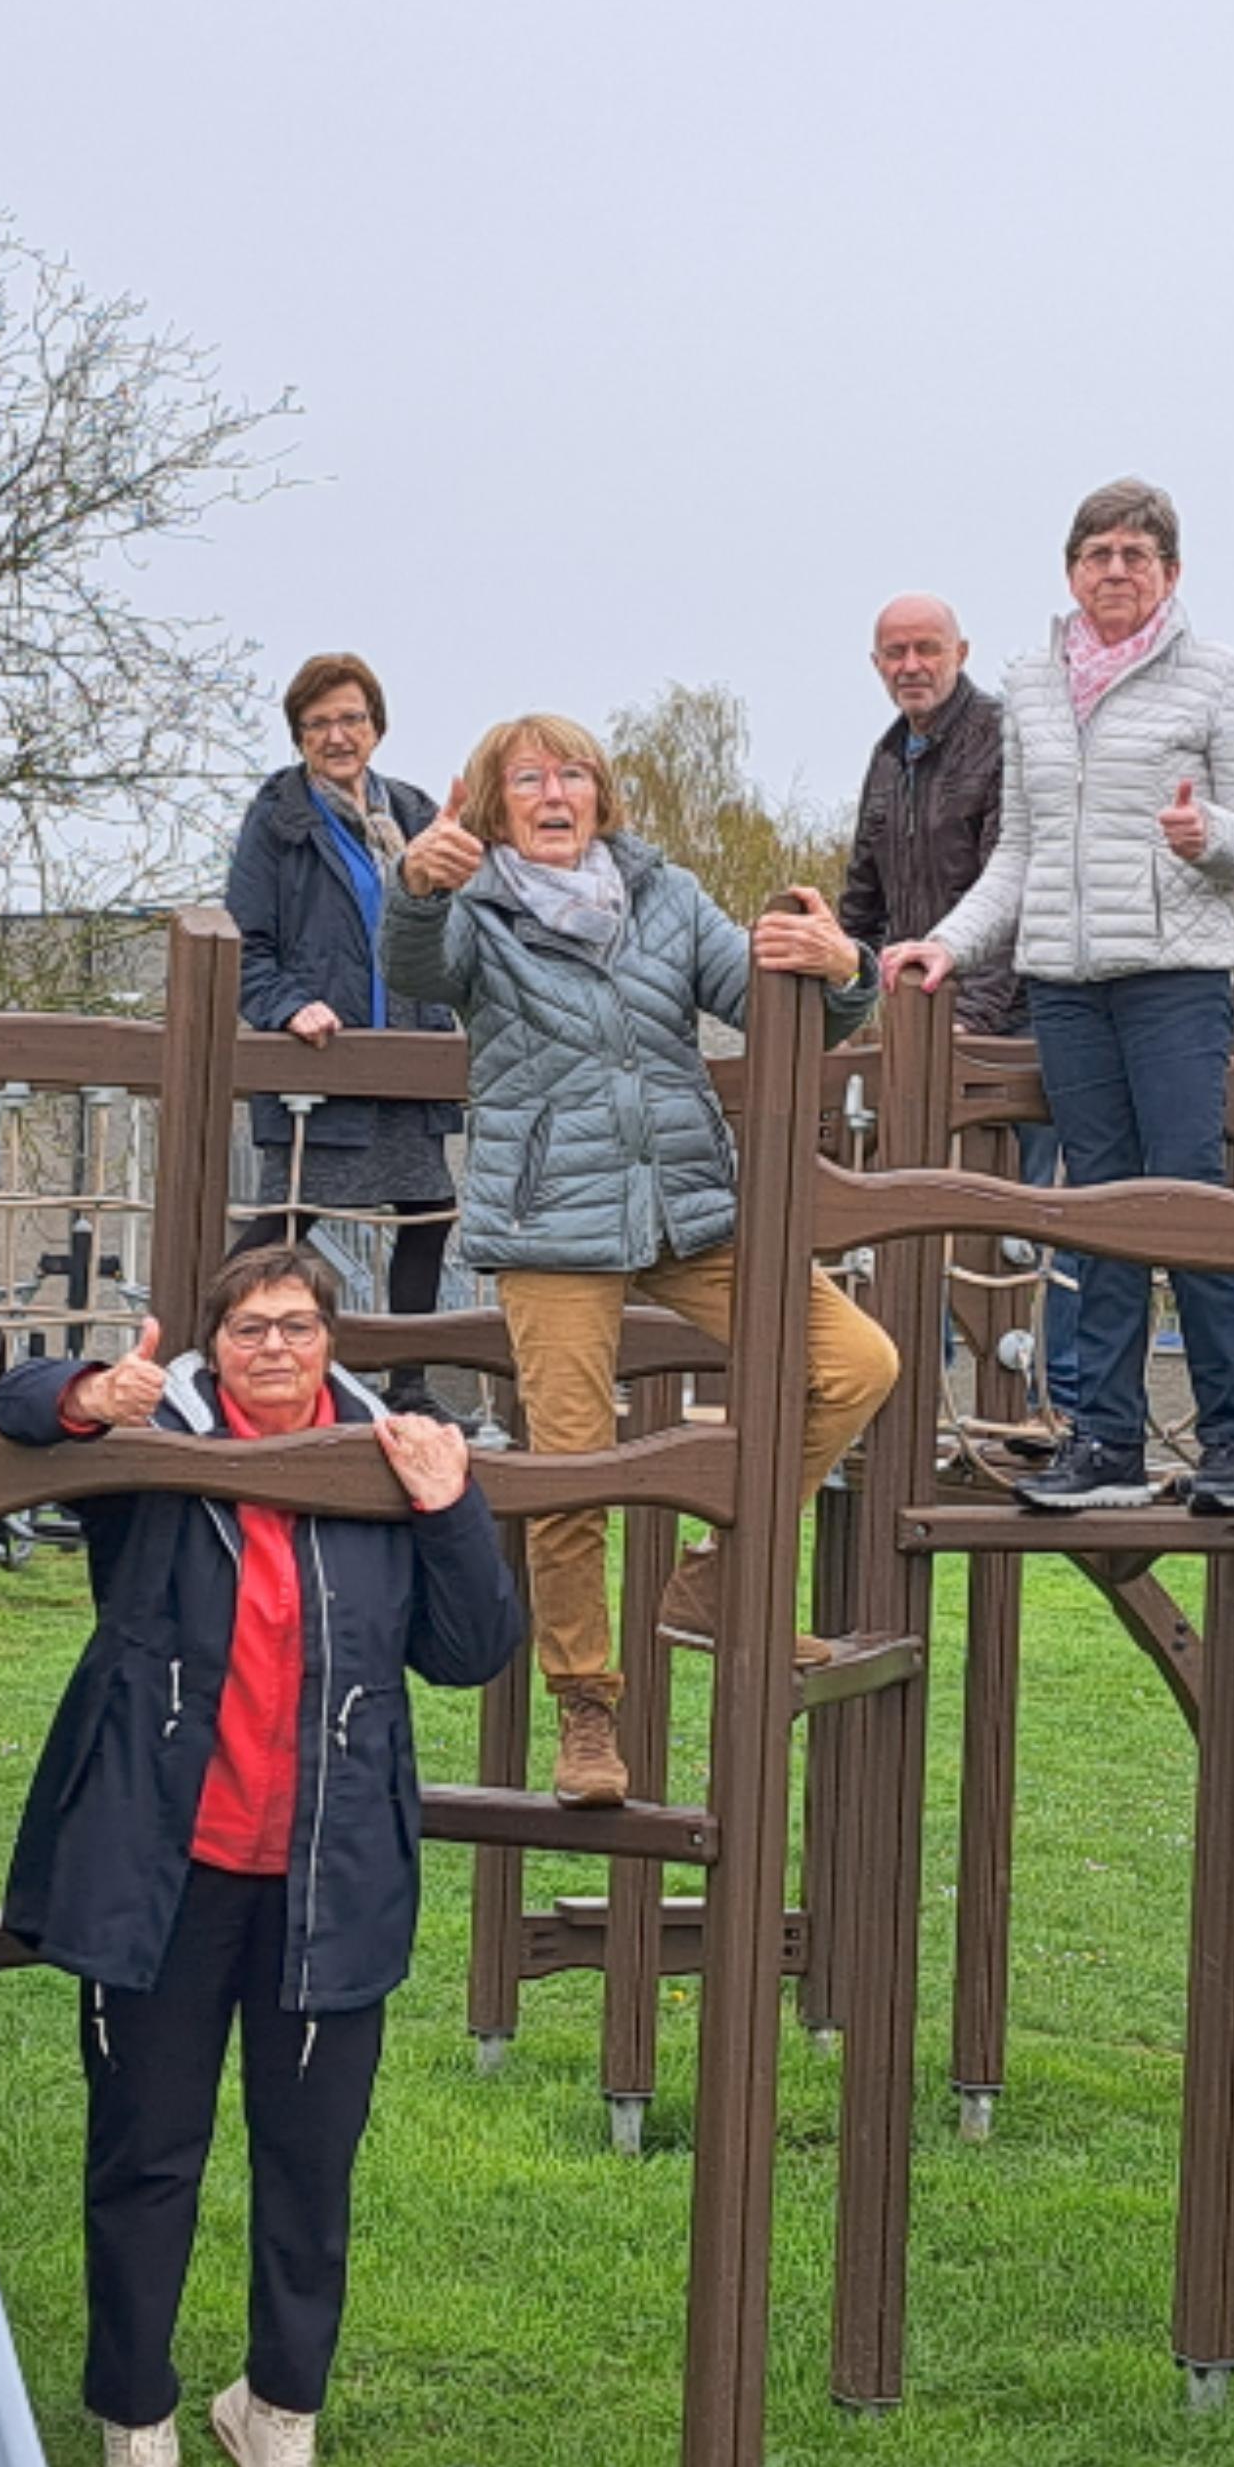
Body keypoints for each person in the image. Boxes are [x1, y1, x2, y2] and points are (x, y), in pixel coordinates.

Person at [0, 1245, 522, 2467]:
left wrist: (450, 1508)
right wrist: (89, 1396)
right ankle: (136, 2432)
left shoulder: (383, 1456)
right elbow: (16, 1409)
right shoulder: (155, 1449)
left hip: (326, 1879)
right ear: (212, 1345)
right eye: (247, 1328)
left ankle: (279, 2413)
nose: (273, 1348)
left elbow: (472, 1651)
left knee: (309, 2167)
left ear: (329, 1342)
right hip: (159, 1874)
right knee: (142, 2161)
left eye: (296, 1326)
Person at [386, 713, 895, 1805]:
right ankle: (586, 1709)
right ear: (493, 804)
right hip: (552, 1223)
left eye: (572, 773)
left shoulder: (664, 896)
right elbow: (416, 964)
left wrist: (846, 968)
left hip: (686, 1207)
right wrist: (418, 887)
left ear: (601, 795)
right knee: (575, 1470)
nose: (554, 792)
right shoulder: (474, 906)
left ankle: (717, 1579)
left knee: (857, 1362)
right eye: (529, 778)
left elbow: (775, 1008)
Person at [882, 476, 1234, 1516]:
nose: (1116, 571)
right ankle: (1105, 1440)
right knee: (1094, 1207)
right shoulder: (1031, 684)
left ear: (1171, 573)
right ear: (1070, 572)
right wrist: (946, 943)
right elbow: (1019, 851)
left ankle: (1232, 1445)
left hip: (1172, 975)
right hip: (1063, 982)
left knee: (1187, 1196)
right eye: (1098, 554)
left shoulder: (1223, 678)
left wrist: (1209, 838)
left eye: (1136, 555)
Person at [835, 591, 1082, 1407]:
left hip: (1012, 1017)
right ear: (876, 665)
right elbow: (864, 898)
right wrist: (836, 994)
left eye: (926, 649)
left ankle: (1045, 1398)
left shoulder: (1000, 740)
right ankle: (920, 1388)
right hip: (922, 1021)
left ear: (960, 652)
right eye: (895, 653)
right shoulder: (887, 759)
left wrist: (973, 1011)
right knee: (915, 1203)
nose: (911, 666)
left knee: (1027, 1212)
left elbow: (1016, 887)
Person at [225, 652, 462, 1407]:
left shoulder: (413, 814)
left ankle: (409, 1385)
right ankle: (215, 1359)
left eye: (351, 719)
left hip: (411, 1060)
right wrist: (287, 1005)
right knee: (285, 1229)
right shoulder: (279, 820)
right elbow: (244, 943)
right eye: (318, 723)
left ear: (377, 727)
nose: (337, 736)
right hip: (323, 1068)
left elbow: (463, 924)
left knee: (427, 1217)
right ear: (298, 737)